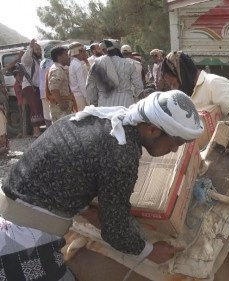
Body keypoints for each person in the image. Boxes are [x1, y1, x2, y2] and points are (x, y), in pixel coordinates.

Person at [0, 90, 204, 280]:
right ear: (152, 130)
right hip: (22, 241)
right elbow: (115, 231)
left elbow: (66, 172)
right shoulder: (121, 152)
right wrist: (150, 251)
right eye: (176, 143)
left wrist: (87, 209)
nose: (175, 150)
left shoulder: (101, 118)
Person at [162, 50, 229, 166]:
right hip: (208, 161)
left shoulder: (213, 83)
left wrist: (220, 147)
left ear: (182, 74)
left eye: (173, 83)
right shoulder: (188, 93)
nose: (174, 89)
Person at [86, 39, 144, 107]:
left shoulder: (97, 64)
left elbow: (90, 87)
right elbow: (139, 86)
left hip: (104, 106)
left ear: (104, 50)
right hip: (125, 104)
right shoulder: (129, 64)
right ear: (117, 49)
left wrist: (94, 104)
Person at [20, 39, 45, 138]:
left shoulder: (40, 61)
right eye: (36, 49)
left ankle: (40, 128)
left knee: (40, 106)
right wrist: (30, 47)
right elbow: (24, 59)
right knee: (35, 107)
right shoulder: (29, 60)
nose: (38, 51)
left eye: (39, 49)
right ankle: (36, 131)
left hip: (38, 86)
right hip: (29, 86)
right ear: (32, 50)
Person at [47, 46, 74, 122]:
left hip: (64, 107)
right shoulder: (57, 70)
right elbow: (53, 88)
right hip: (60, 109)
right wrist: (61, 103)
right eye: (66, 55)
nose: (68, 57)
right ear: (59, 57)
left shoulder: (61, 68)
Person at [68, 42, 88, 111]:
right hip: (80, 96)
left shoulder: (73, 63)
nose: (85, 53)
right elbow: (81, 84)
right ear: (78, 52)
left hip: (76, 96)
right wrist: (87, 97)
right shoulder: (77, 65)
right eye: (83, 52)